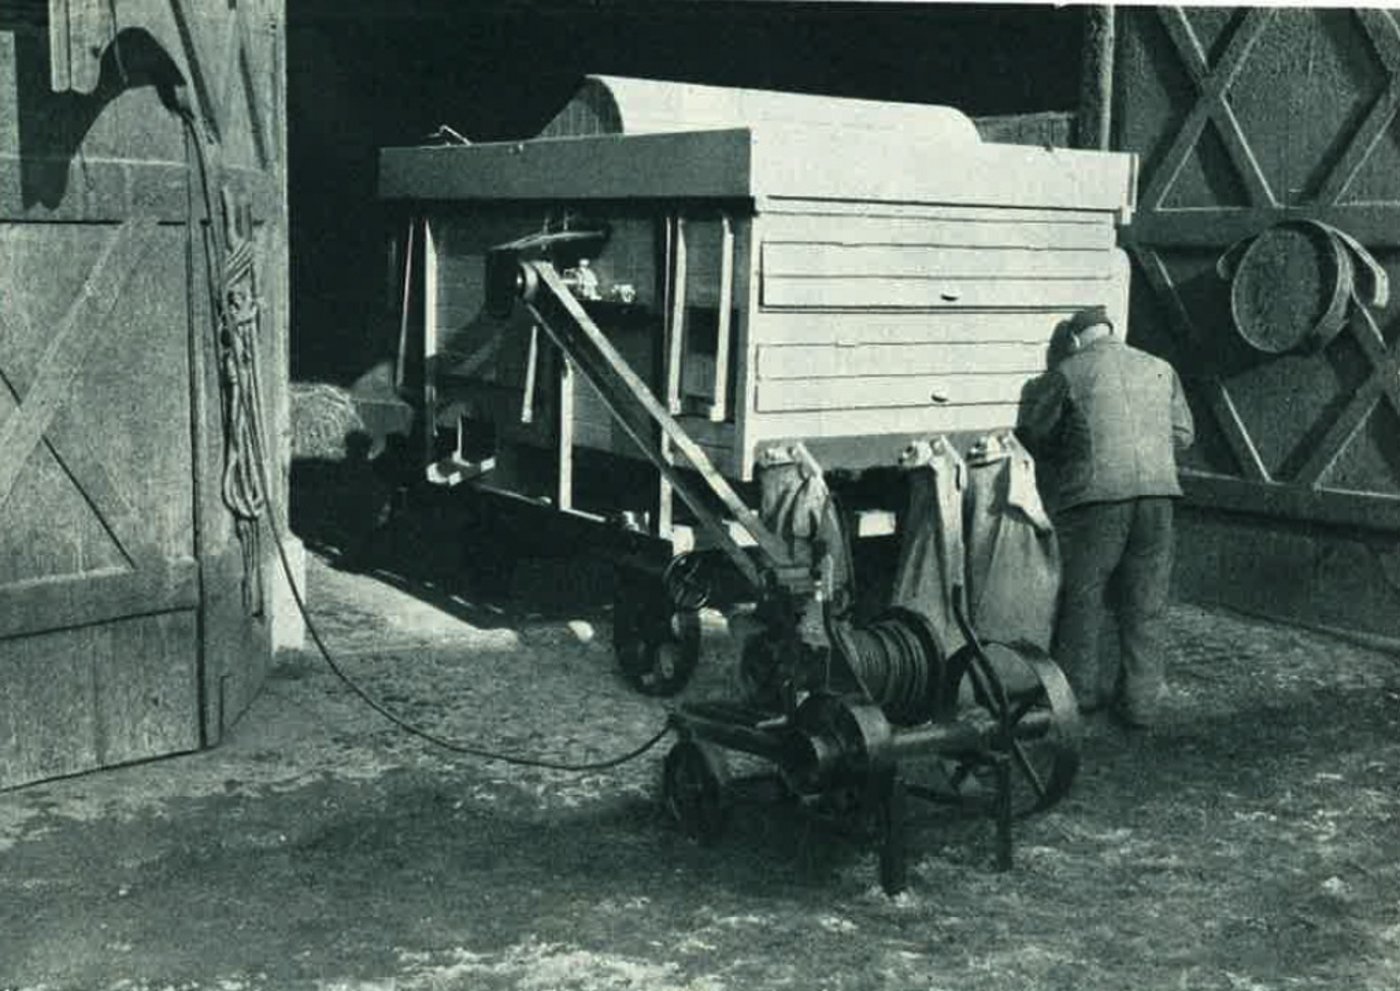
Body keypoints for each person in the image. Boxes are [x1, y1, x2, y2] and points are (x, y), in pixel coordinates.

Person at [1015, 305, 1194, 728]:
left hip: (1096, 500)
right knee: (1146, 601)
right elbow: (1183, 435)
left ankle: (1077, 696)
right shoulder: (1160, 368)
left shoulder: (1067, 372)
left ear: (1075, 340)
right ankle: (1140, 705)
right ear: (1110, 331)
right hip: (1159, 496)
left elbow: (1037, 434)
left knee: (1084, 595)